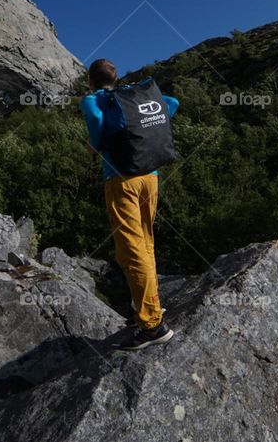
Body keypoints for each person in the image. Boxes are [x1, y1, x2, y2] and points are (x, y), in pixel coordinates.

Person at [80, 58, 179, 350]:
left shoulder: (92, 99)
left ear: (91, 81)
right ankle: (147, 305)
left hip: (121, 179)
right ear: (115, 78)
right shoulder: (130, 98)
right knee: (145, 243)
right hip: (150, 176)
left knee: (131, 249)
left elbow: (96, 121)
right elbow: (171, 103)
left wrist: (96, 145)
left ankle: (152, 325)